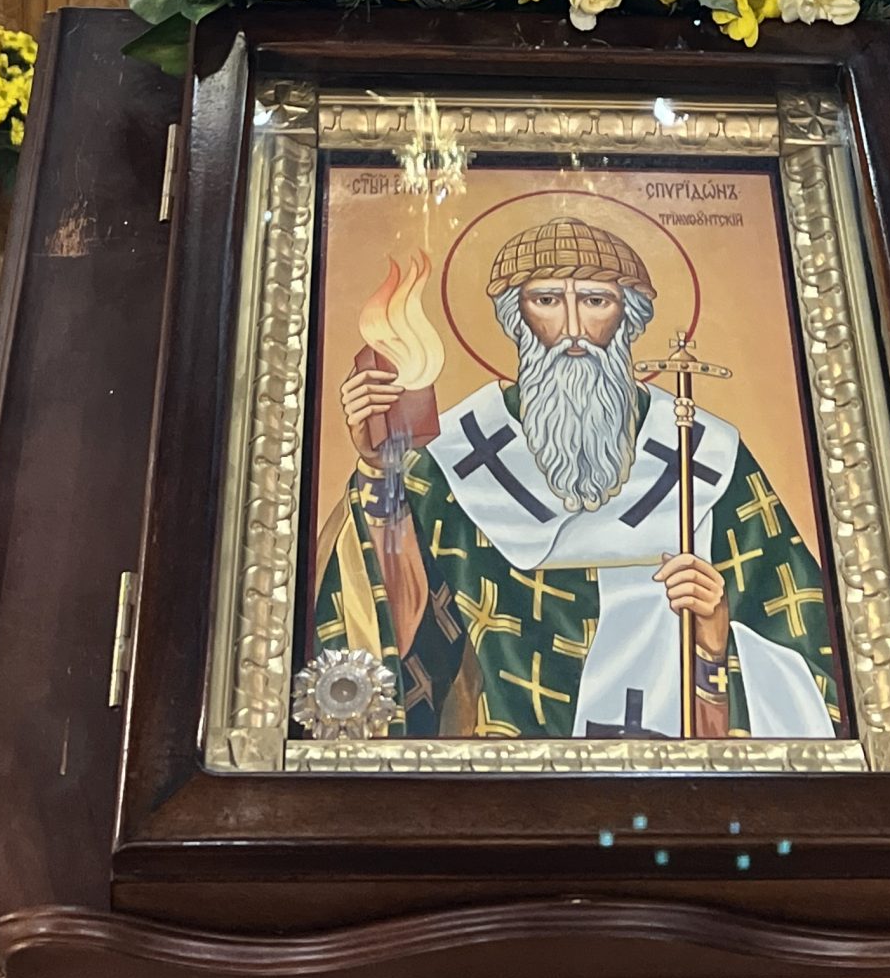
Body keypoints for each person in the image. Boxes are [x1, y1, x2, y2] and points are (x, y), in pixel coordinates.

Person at [312, 216, 840, 741]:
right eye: (545, 300)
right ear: (517, 318)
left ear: (628, 317)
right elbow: (398, 622)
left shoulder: (703, 456)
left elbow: (811, 650)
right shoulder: (459, 455)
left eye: (595, 300)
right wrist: (380, 468)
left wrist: (713, 641)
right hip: (500, 772)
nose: (572, 328)